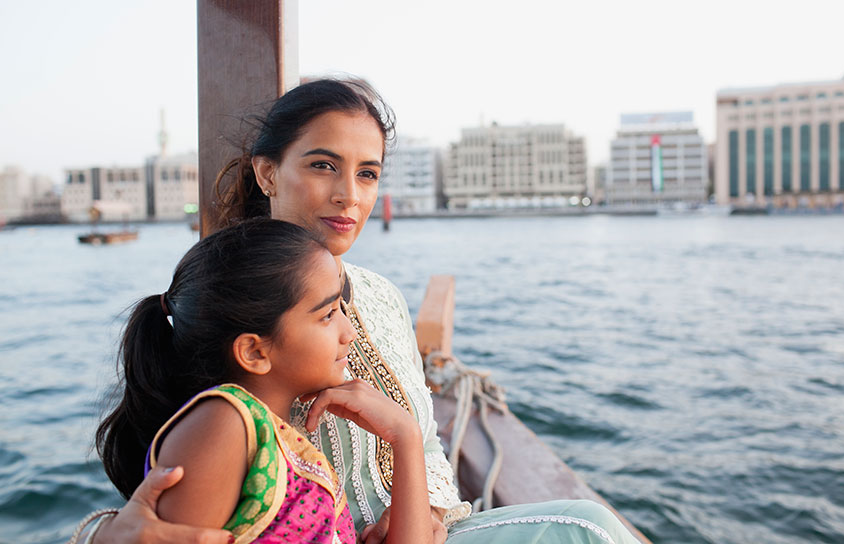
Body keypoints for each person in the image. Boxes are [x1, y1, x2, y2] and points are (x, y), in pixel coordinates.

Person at [85, 79, 641, 544]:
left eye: (368, 173)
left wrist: (429, 514)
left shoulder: (381, 297)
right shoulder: (230, 301)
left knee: (588, 528)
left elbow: (425, 447)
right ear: (268, 173)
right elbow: (168, 499)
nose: (349, 195)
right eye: (324, 165)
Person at [95, 218, 434, 544]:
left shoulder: (273, 433)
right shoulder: (225, 424)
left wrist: (405, 436)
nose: (349, 332)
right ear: (255, 352)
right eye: (328, 314)